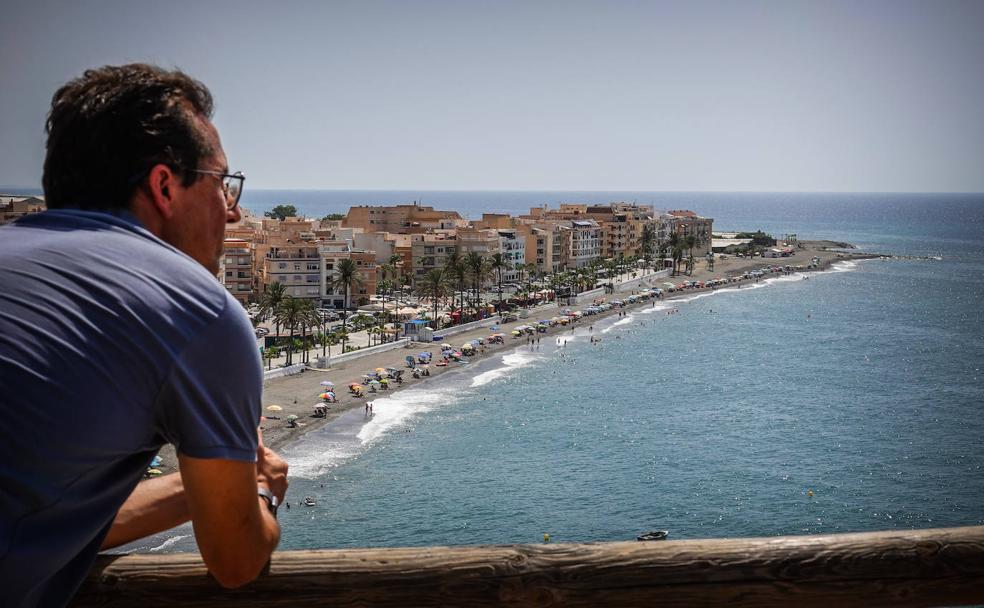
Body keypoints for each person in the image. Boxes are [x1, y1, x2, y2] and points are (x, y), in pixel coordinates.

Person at [0, 64, 287, 607]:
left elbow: (48, 519)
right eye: (221, 184)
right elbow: (235, 560)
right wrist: (259, 491)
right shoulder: (197, 310)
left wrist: (203, 489)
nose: (233, 212)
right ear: (164, 186)